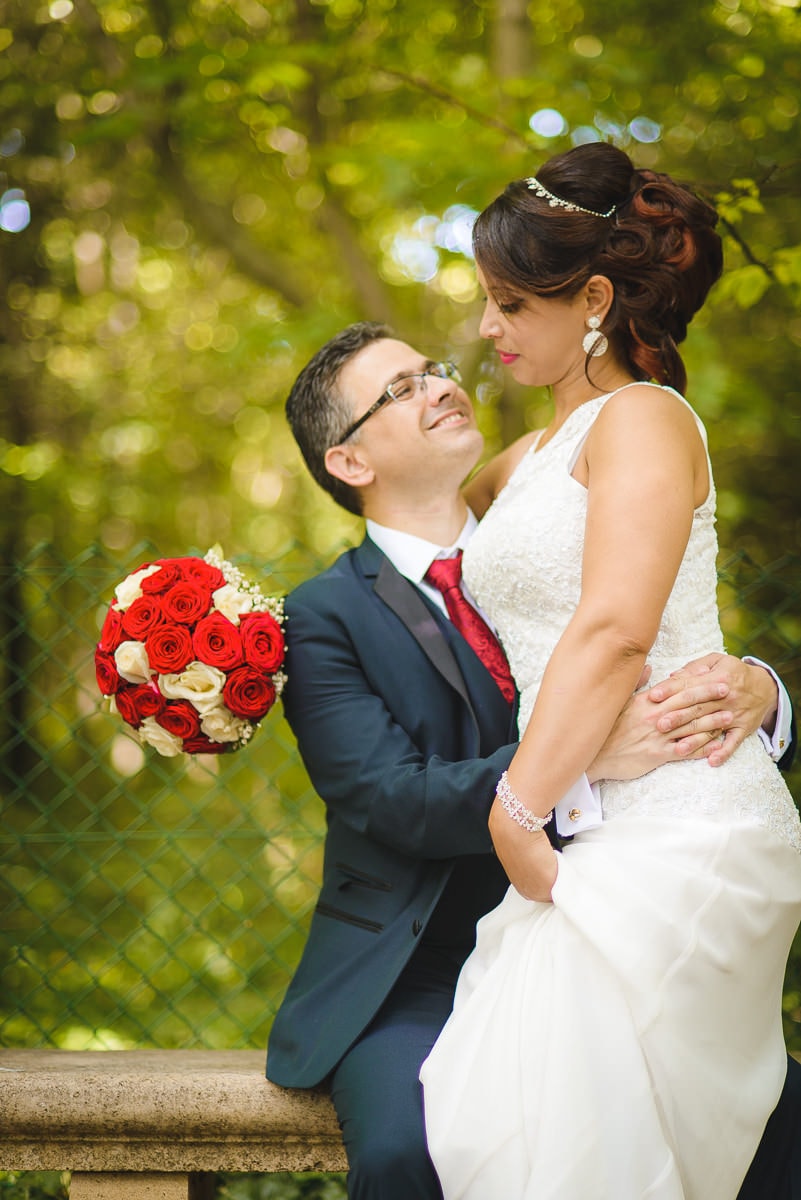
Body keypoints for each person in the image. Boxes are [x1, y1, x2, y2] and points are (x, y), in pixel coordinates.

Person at [265, 317, 798, 1200]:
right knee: (410, 1152)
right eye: (399, 390)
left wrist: (763, 692)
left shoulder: (550, 522)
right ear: (350, 463)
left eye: (432, 370)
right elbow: (388, 797)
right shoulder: (321, 616)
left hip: (609, 912)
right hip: (418, 966)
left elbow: (651, 641)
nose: (439, 385)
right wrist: (580, 767)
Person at [419, 143, 801, 1198]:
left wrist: (514, 804)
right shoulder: (526, 460)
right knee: (501, 1127)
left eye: (509, 303)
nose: (487, 329)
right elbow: (424, 536)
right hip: (584, 832)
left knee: (581, 1145)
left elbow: (617, 632)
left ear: (591, 296)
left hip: (681, 825)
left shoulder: (646, 419)